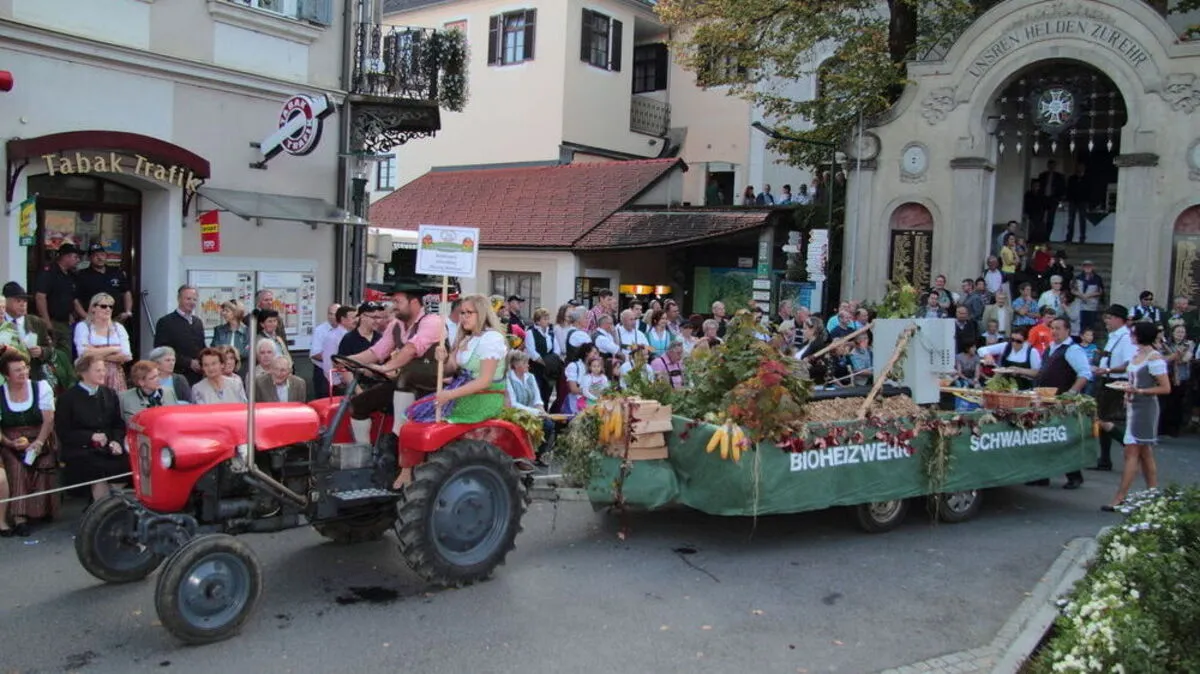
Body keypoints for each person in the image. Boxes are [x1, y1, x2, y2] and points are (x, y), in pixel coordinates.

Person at [347, 278, 445, 446]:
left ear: (413, 302)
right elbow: (377, 351)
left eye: (397, 301)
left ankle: (398, 437)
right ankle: (363, 453)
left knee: (403, 380)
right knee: (358, 405)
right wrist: (348, 361)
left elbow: (411, 349)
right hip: (404, 382)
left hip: (432, 385)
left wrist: (386, 367)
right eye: (393, 301)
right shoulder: (397, 325)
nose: (393, 306)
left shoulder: (432, 322)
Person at [407, 293, 509, 425]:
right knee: (415, 412)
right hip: (465, 394)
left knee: (426, 419)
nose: (464, 317)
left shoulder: (492, 339)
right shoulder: (467, 338)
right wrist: (442, 359)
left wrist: (450, 395)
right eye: (462, 313)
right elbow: (450, 368)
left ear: (482, 313)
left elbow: (484, 381)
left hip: (484, 398)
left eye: (469, 313)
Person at [1103, 322, 1170, 511]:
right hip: (1134, 405)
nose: (1131, 335)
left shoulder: (1154, 358)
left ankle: (1120, 496)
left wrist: (1138, 390)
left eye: (1134, 333)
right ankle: (1152, 494)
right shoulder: (1138, 354)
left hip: (1145, 408)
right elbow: (1128, 369)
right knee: (1145, 452)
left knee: (1131, 451)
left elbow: (1165, 388)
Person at [55, 353, 128, 504]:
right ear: (83, 373)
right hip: (81, 449)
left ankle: (115, 506)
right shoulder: (68, 399)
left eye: (103, 370)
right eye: (98, 370)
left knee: (125, 463)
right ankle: (103, 511)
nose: (103, 374)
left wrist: (116, 441)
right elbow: (64, 432)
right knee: (97, 470)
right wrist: (90, 437)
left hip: (108, 447)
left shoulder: (110, 394)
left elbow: (118, 424)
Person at [0, 351, 59, 537]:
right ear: (6, 375)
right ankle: (19, 518)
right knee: (15, 466)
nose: (23, 372)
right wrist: (9, 442)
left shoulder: (41, 387)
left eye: (24, 368)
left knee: (41, 460)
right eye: (17, 370)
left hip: (38, 434)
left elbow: (48, 420)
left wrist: (39, 442)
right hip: (10, 439)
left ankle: (41, 510)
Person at [1034, 317, 1092, 489]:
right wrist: (1017, 370)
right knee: (1044, 438)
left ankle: (1075, 476)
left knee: (1064, 439)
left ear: (1067, 330)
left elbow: (1085, 374)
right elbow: (1040, 372)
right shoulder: (1050, 348)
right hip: (1045, 399)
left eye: (1058, 328)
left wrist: (1072, 392)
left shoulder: (1072, 350)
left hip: (1062, 401)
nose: (1054, 331)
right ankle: (1043, 475)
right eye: (1052, 328)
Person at [1091, 305, 1135, 472]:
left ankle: (1130, 446)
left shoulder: (1126, 337)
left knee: (1104, 420)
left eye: (1109, 318)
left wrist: (1108, 369)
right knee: (1101, 418)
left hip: (1116, 382)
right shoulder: (1113, 336)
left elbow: (1128, 363)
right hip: (1106, 380)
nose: (1106, 321)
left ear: (1119, 319)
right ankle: (1104, 459)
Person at [74, 292, 132, 390]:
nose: (108, 309)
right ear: (93, 308)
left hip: (115, 377)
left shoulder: (118, 327)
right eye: (103, 306)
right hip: (91, 374)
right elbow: (83, 354)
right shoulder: (83, 327)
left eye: (111, 306)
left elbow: (127, 356)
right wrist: (114, 349)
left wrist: (94, 351)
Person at [505, 351, 555, 464]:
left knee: (548, 424)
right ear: (517, 365)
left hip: (532, 411)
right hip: (515, 412)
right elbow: (513, 403)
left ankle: (539, 455)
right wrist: (535, 412)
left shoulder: (530, 377)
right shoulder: (508, 378)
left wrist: (541, 410)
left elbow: (537, 398)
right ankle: (519, 457)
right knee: (522, 427)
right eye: (525, 363)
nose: (528, 365)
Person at [33, 242, 83, 352]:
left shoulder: (70, 275)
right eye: (75, 257)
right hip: (51, 321)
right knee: (50, 354)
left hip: (65, 323)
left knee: (65, 356)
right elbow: (40, 297)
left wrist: (83, 316)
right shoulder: (49, 272)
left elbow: (72, 299)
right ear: (66, 257)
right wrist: (46, 321)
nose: (78, 260)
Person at [153, 285, 206, 385]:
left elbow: (201, 346)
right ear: (179, 299)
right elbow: (161, 350)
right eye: (188, 298)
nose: (191, 302)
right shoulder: (165, 322)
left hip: (198, 376)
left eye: (194, 299)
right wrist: (189, 363)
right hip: (176, 375)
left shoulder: (198, 322)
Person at [3, 283, 53, 384]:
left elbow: (51, 350)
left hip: (31, 376)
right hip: (4, 377)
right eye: (18, 301)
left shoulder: (36, 323)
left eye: (25, 301)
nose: (23, 304)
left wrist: (41, 351)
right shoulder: (2, 322)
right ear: (5, 302)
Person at [75, 243, 133, 325]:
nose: (100, 258)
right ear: (90, 258)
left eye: (102, 255)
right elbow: (76, 300)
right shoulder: (82, 275)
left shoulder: (116, 272)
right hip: (93, 320)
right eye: (96, 255)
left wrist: (128, 311)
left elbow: (126, 292)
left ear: (106, 256)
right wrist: (86, 317)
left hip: (116, 319)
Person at [335, 301, 383, 396]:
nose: (377, 321)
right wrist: (358, 390)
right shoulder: (349, 339)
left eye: (379, 317)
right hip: (357, 387)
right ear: (362, 316)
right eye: (373, 317)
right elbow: (343, 367)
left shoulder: (381, 338)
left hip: (380, 387)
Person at [523, 307, 561, 409]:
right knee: (537, 392)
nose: (547, 321)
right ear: (537, 321)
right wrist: (544, 362)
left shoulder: (551, 333)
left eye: (548, 318)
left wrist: (551, 362)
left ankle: (545, 416)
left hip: (550, 369)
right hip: (536, 368)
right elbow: (532, 351)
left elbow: (556, 349)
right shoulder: (531, 332)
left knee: (547, 394)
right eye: (544, 319)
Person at [978, 330, 1043, 389]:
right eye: (1012, 340)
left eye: (1018, 341)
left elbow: (1037, 372)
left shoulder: (1031, 352)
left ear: (1025, 341)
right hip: (1004, 386)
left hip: (1024, 388)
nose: (1014, 343)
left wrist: (1020, 370)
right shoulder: (1006, 346)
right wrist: (988, 355)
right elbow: (981, 349)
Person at [1159, 324, 1192, 437]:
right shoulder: (1165, 345)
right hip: (1167, 375)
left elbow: (1185, 359)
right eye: (1178, 332)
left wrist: (1173, 356)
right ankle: (1162, 428)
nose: (1180, 335)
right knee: (1165, 403)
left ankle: (1174, 429)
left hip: (1181, 377)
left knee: (1177, 404)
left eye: (1182, 332)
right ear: (1172, 333)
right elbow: (1163, 359)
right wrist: (1174, 356)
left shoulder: (1189, 344)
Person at [309, 303, 340, 399]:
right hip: (323, 373)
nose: (332, 317)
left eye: (335, 314)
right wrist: (334, 359)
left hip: (341, 373)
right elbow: (315, 354)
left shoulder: (345, 329)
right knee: (324, 401)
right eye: (330, 314)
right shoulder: (320, 330)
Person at [211, 299, 250, 375]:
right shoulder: (219, 330)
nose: (223, 313)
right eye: (223, 311)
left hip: (242, 371)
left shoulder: (248, 331)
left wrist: (227, 354)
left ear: (236, 312)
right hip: (221, 370)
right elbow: (215, 349)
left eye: (227, 311)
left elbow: (247, 353)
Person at [1074, 261, 1104, 332]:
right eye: (1085, 266)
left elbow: (1100, 291)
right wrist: (1081, 295)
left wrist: (1089, 295)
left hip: (1091, 306)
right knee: (1080, 325)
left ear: (1092, 267)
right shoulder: (1078, 277)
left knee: (1091, 325)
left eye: (1089, 266)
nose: (1087, 268)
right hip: (1079, 306)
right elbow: (1072, 290)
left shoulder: (1097, 278)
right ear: (1083, 267)